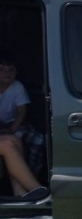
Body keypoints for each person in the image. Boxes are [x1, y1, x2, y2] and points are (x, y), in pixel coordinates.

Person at [0, 54, 48, 201]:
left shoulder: (17, 87)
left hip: (9, 126)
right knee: (8, 145)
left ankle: (20, 193)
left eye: (11, 70)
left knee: (14, 140)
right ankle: (36, 189)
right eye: (2, 70)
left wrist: (10, 129)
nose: (7, 73)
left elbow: (22, 111)